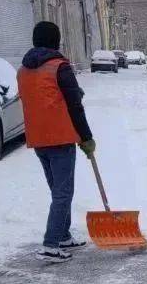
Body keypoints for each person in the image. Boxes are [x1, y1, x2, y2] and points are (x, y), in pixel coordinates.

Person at [17, 21, 96, 262]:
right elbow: (74, 105)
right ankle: (51, 244)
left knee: (58, 190)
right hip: (60, 137)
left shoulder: (23, 70)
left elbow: (43, 98)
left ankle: (62, 235)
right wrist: (86, 137)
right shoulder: (59, 67)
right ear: (56, 40)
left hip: (37, 138)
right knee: (63, 192)